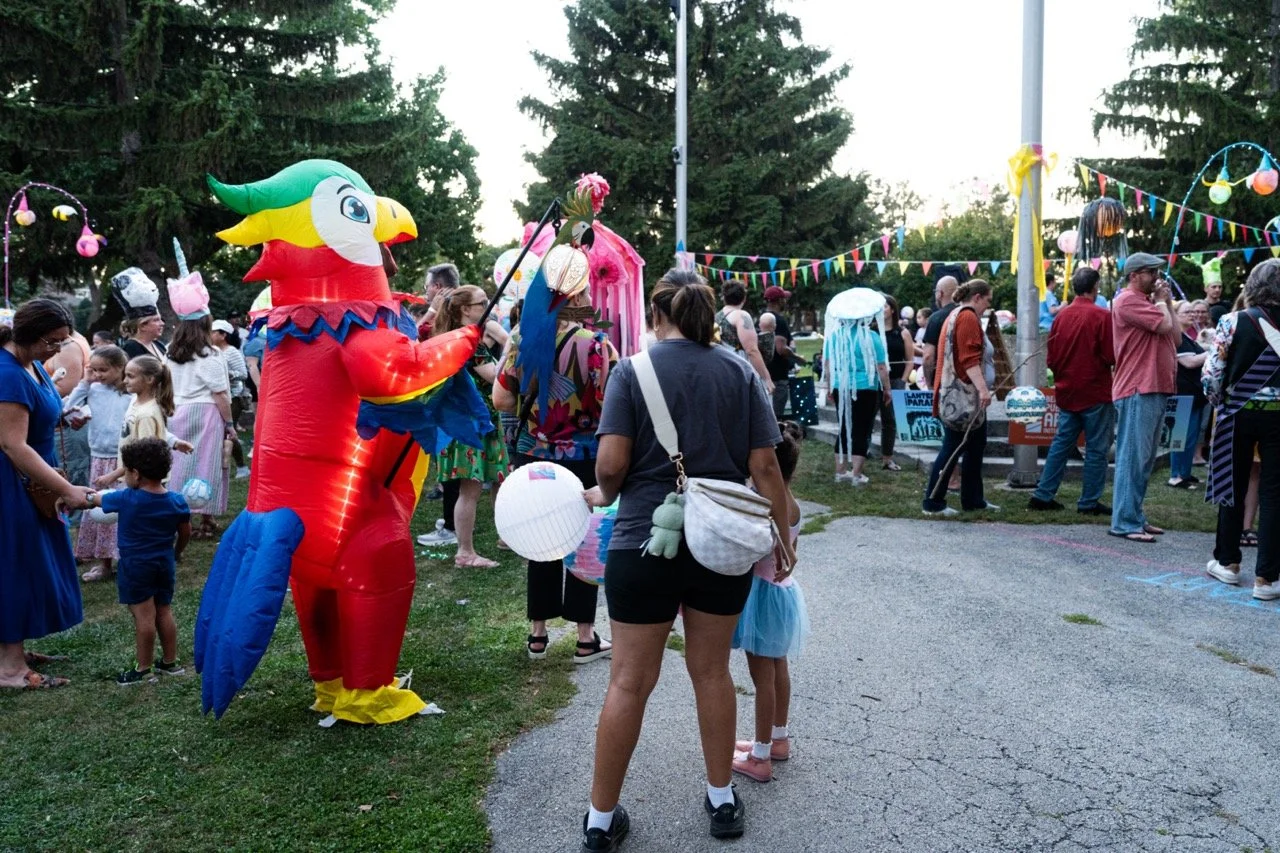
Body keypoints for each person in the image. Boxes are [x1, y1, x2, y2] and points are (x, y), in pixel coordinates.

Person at [579, 268, 792, 850]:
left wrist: (605, 487)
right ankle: (722, 799)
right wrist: (784, 530)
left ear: (654, 314)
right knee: (712, 672)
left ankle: (601, 820)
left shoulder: (631, 371)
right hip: (719, 546)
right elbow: (766, 468)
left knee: (627, 681)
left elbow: (610, 469)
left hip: (642, 542)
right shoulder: (738, 370)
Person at [493, 254, 618, 663]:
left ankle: (537, 636)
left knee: (541, 535)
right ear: (579, 295)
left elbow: (502, 398)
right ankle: (585, 637)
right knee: (581, 536)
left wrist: (537, 412)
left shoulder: (524, 339)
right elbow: (613, 407)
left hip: (534, 454)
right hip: (585, 454)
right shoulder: (598, 345)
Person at [0, 299, 95, 689]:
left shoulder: (33, 364)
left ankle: (12, 649)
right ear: (26, 336)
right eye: (52, 343)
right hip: (13, 483)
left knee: (32, 565)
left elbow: (38, 410)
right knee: (17, 566)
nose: (57, 351)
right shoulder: (7, 374)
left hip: (36, 479)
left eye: (62, 342)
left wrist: (64, 415)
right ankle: (9, 669)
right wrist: (68, 489)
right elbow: (12, 444)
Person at [730, 422, 808, 785]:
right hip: (783, 594)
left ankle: (759, 756)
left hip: (760, 596)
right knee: (779, 669)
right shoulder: (790, 504)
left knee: (762, 678)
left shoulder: (764, 507)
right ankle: (779, 738)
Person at [85, 438, 192, 684]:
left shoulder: (127, 499)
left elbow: (95, 501)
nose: (124, 479)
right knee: (163, 610)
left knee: (144, 617)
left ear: (136, 473)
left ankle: (143, 669)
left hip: (136, 566)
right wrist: (177, 552)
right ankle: (170, 663)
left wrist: (84, 495)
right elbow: (185, 532)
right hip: (164, 563)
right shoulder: (177, 500)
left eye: (126, 472)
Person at [1203, 259, 1280, 598]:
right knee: (1275, 493)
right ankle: (1268, 578)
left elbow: (1212, 375)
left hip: (1237, 413)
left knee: (1230, 485)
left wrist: (1220, 403)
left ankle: (1228, 563)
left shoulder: (1232, 321)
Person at [426, 285, 510, 568]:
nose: (488, 306)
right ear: (465, 309)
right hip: (469, 425)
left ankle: (506, 536)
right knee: (470, 489)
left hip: (482, 419)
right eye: (482, 302)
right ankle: (465, 552)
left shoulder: (461, 336)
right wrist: (513, 345)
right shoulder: (466, 341)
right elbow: (494, 375)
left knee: (500, 478)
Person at [1028, 267, 1115, 514]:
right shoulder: (1101, 315)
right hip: (1095, 391)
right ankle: (1088, 501)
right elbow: (1110, 355)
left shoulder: (1061, 317)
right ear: (1095, 286)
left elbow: (1051, 357)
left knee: (1061, 443)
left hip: (1067, 390)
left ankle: (1043, 494)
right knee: (1097, 449)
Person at [1108, 253, 1180, 543]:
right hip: (1139, 388)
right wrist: (1162, 302)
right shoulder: (1128, 300)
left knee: (1145, 459)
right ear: (1135, 275)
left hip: (1154, 386)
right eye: (1152, 272)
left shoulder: (1151, 303)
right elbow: (1163, 327)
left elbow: (1175, 337)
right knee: (1132, 458)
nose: (1158, 278)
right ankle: (1124, 522)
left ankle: (1134, 516)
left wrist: (1168, 303)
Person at [922, 280, 999, 516]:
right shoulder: (967, 318)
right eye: (987, 300)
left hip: (964, 397)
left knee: (975, 447)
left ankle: (973, 499)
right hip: (964, 399)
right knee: (952, 448)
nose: (988, 305)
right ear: (977, 297)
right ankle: (933, 503)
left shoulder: (956, 315)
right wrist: (983, 390)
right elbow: (968, 359)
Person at [65, 345, 132, 582]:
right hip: (100, 456)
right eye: (94, 370)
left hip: (124, 457)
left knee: (126, 511)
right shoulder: (92, 389)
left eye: (103, 370)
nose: (99, 374)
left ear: (119, 368)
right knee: (102, 511)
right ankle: (104, 563)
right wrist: (84, 381)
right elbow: (67, 407)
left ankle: (127, 559)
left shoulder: (130, 392)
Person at [166, 312, 233, 539]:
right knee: (207, 463)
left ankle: (178, 514)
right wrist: (230, 423)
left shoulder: (169, 351)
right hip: (205, 411)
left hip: (176, 410)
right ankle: (206, 517)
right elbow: (220, 393)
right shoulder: (210, 354)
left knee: (178, 464)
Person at [824, 308, 890, 485]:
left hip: (841, 385)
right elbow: (881, 367)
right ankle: (856, 474)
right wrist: (887, 389)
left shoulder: (834, 337)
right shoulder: (872, 337)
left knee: (844, 426)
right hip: (866, 386)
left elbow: (828, 364)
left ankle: (840, 472)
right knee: (862, 428)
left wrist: (829, 386)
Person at [1167, 301, 1208, 490]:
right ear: (1175, 315)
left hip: (1195, 395)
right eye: (1187, 312)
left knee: (1190, 437)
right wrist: (1213, 352)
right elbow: (1189, 363)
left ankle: (1185, 472)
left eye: (1193, 311)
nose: (1192, 315)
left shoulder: (1188, 337)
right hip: (1181, 394)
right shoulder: (1176, 338)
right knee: (1178, 437)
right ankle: (1175, 475)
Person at [877, 295, 915, 471]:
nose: (882, 309)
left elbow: (910, 359)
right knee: (868, 419)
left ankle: (887, 457)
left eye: (885, 306)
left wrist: (902, 380)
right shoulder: (872, 331)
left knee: (889, 420)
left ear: (892, 309)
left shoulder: (903, 333)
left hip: (895, 380)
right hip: (874, 381)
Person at [715, 280, 773, 393]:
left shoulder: (716, 317)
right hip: (739, 373)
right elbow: (751, 350)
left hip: (721, 372)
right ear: (744, 298)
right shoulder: (741, 315)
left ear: (724, 298)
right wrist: (767, 378)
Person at [211, 319, 249, 476]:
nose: (209, 335)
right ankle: (222, 464)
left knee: (228, 431)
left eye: (213, 332)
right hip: (219, 395)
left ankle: (241, 467)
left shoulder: (231, 352)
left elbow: (244, 374)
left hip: (234, 396)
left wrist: (227, 374)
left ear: (223, 335)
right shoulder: (212, 351)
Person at [761, 286, 795, 419]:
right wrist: (797, 357)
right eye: (784, 299)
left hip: (765, 374)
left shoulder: (763, 318)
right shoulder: (778, 321)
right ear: (779, 301)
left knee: (766, 416)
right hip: (778, 377)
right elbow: (781, 349)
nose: (786, 301)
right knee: (776, 419)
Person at [921, 276, 959, 387]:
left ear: (940, 294)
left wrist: (929, 384)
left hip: (942, 380)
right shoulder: (967, 314)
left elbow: (928, 356)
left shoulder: (936, 318)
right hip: (966, 378)